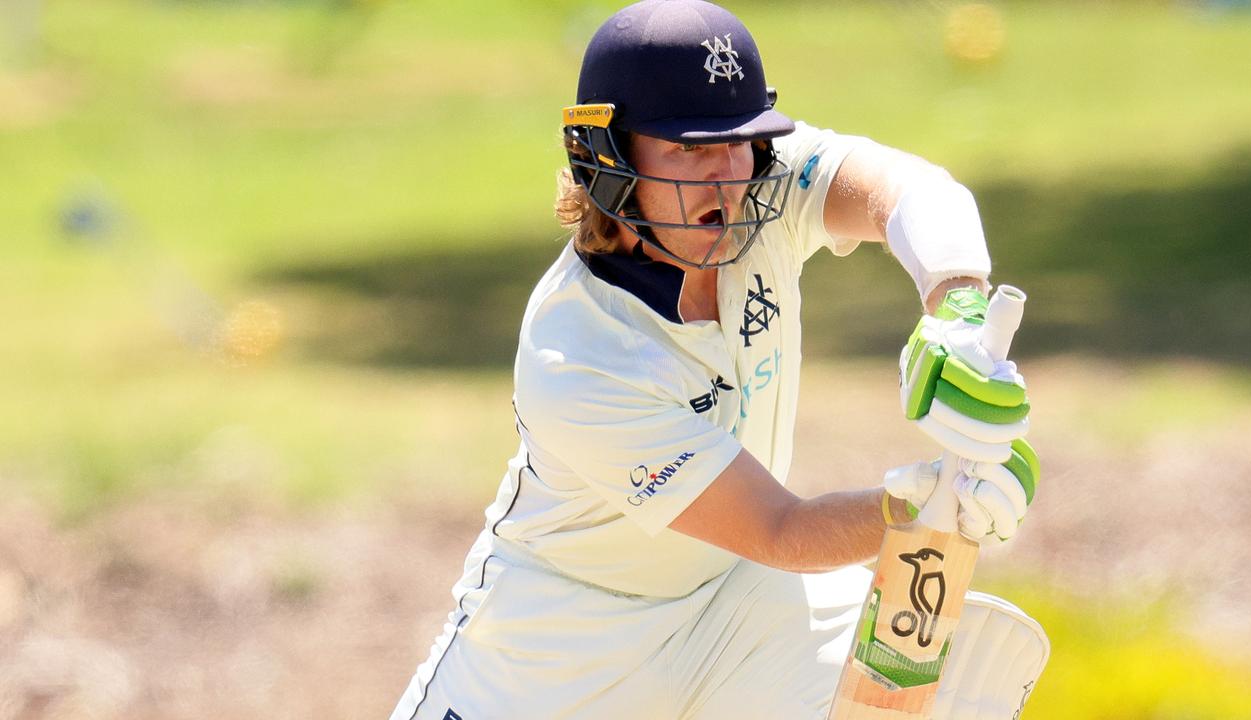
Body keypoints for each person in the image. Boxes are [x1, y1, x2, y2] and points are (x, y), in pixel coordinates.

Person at [390, 1, 1047, 718]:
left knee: (942, 696)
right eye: (689, 150)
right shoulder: (577, 354)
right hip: (550, 665)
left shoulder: (760, 180)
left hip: (728, 605)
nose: (726, 181)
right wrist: (922, 504)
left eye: (738, 143)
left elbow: (916, 192)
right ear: (605, 160)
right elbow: (780, 531)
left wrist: (955, 307)